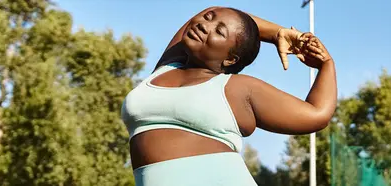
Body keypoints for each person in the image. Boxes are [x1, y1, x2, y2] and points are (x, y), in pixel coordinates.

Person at [121, 6, 337, 186]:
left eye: (219, 32)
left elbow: (317, 114)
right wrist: (278, 33)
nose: (204, 26)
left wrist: (326, 65)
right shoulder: (167, 67)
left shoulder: (237, 88)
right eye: (207, 19)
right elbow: (218, 12)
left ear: (231, 59)